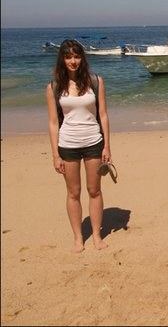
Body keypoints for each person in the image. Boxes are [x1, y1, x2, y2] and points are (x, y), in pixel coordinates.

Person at [45, 39, 112, 252]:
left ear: (82, 58)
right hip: (68, 144)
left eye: (76, 56)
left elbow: (103, 115)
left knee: (94, 190)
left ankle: (97, 236)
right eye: (68, 57)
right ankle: (78, 238)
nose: (73, 61)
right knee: (73, 192)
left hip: (93, 141)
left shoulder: (96, 81)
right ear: (62, 60)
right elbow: (53, 123)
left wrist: (107, 146)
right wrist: (55, 154)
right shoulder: (54, 87)